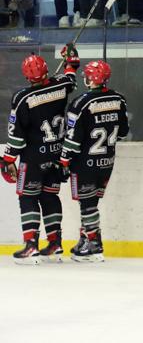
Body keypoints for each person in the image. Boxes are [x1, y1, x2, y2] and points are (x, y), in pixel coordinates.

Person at [1, 46, 79, 264]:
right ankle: (55, 244)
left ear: (26, 76)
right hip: (57, 155)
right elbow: (72, 74)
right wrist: (70, 58)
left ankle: (31, 246)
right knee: (49, 196)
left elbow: (16, 136)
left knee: (28, 197)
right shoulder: (62, 85)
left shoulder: (22, 97)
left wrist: (7, 160)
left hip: (34, 158)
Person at [59, 60, 128, 262]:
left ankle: (94, 245)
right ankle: (85, 239)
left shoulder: (80, 103)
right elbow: (123, 132)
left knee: (87, 203)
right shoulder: (119, 99)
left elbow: (72, 139)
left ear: (92, 79)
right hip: (107, 162)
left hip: (85, 162)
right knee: (92, 201)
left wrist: (63, 160)